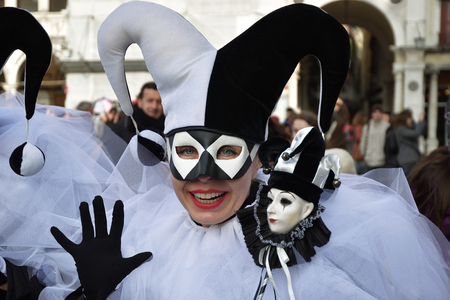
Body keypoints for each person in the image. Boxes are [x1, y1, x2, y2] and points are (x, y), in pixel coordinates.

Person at [1, 3, 450, 300]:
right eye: (188, 151)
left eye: (228, 152)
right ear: (163, 150)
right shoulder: (137, 237)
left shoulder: (310, 249)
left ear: (259, 158)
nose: (205, 176)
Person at [394, 109, 426, 176]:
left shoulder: (409, 128)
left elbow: (418, 130)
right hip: (407, 162)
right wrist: (421, 121)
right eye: (409, 117)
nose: (411, 119)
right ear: (404, 118)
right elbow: (416, 132)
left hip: (413, 161)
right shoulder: (400, 129)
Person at [360, 104, 390, 172]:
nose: (377, 114)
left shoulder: (387, 126)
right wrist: (363, 153)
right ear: (372, 114)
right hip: (369, 159)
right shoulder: (367, 126)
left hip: (382, 160)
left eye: (379, 112)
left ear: (382, 114)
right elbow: (363, 141)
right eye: (375, 112)